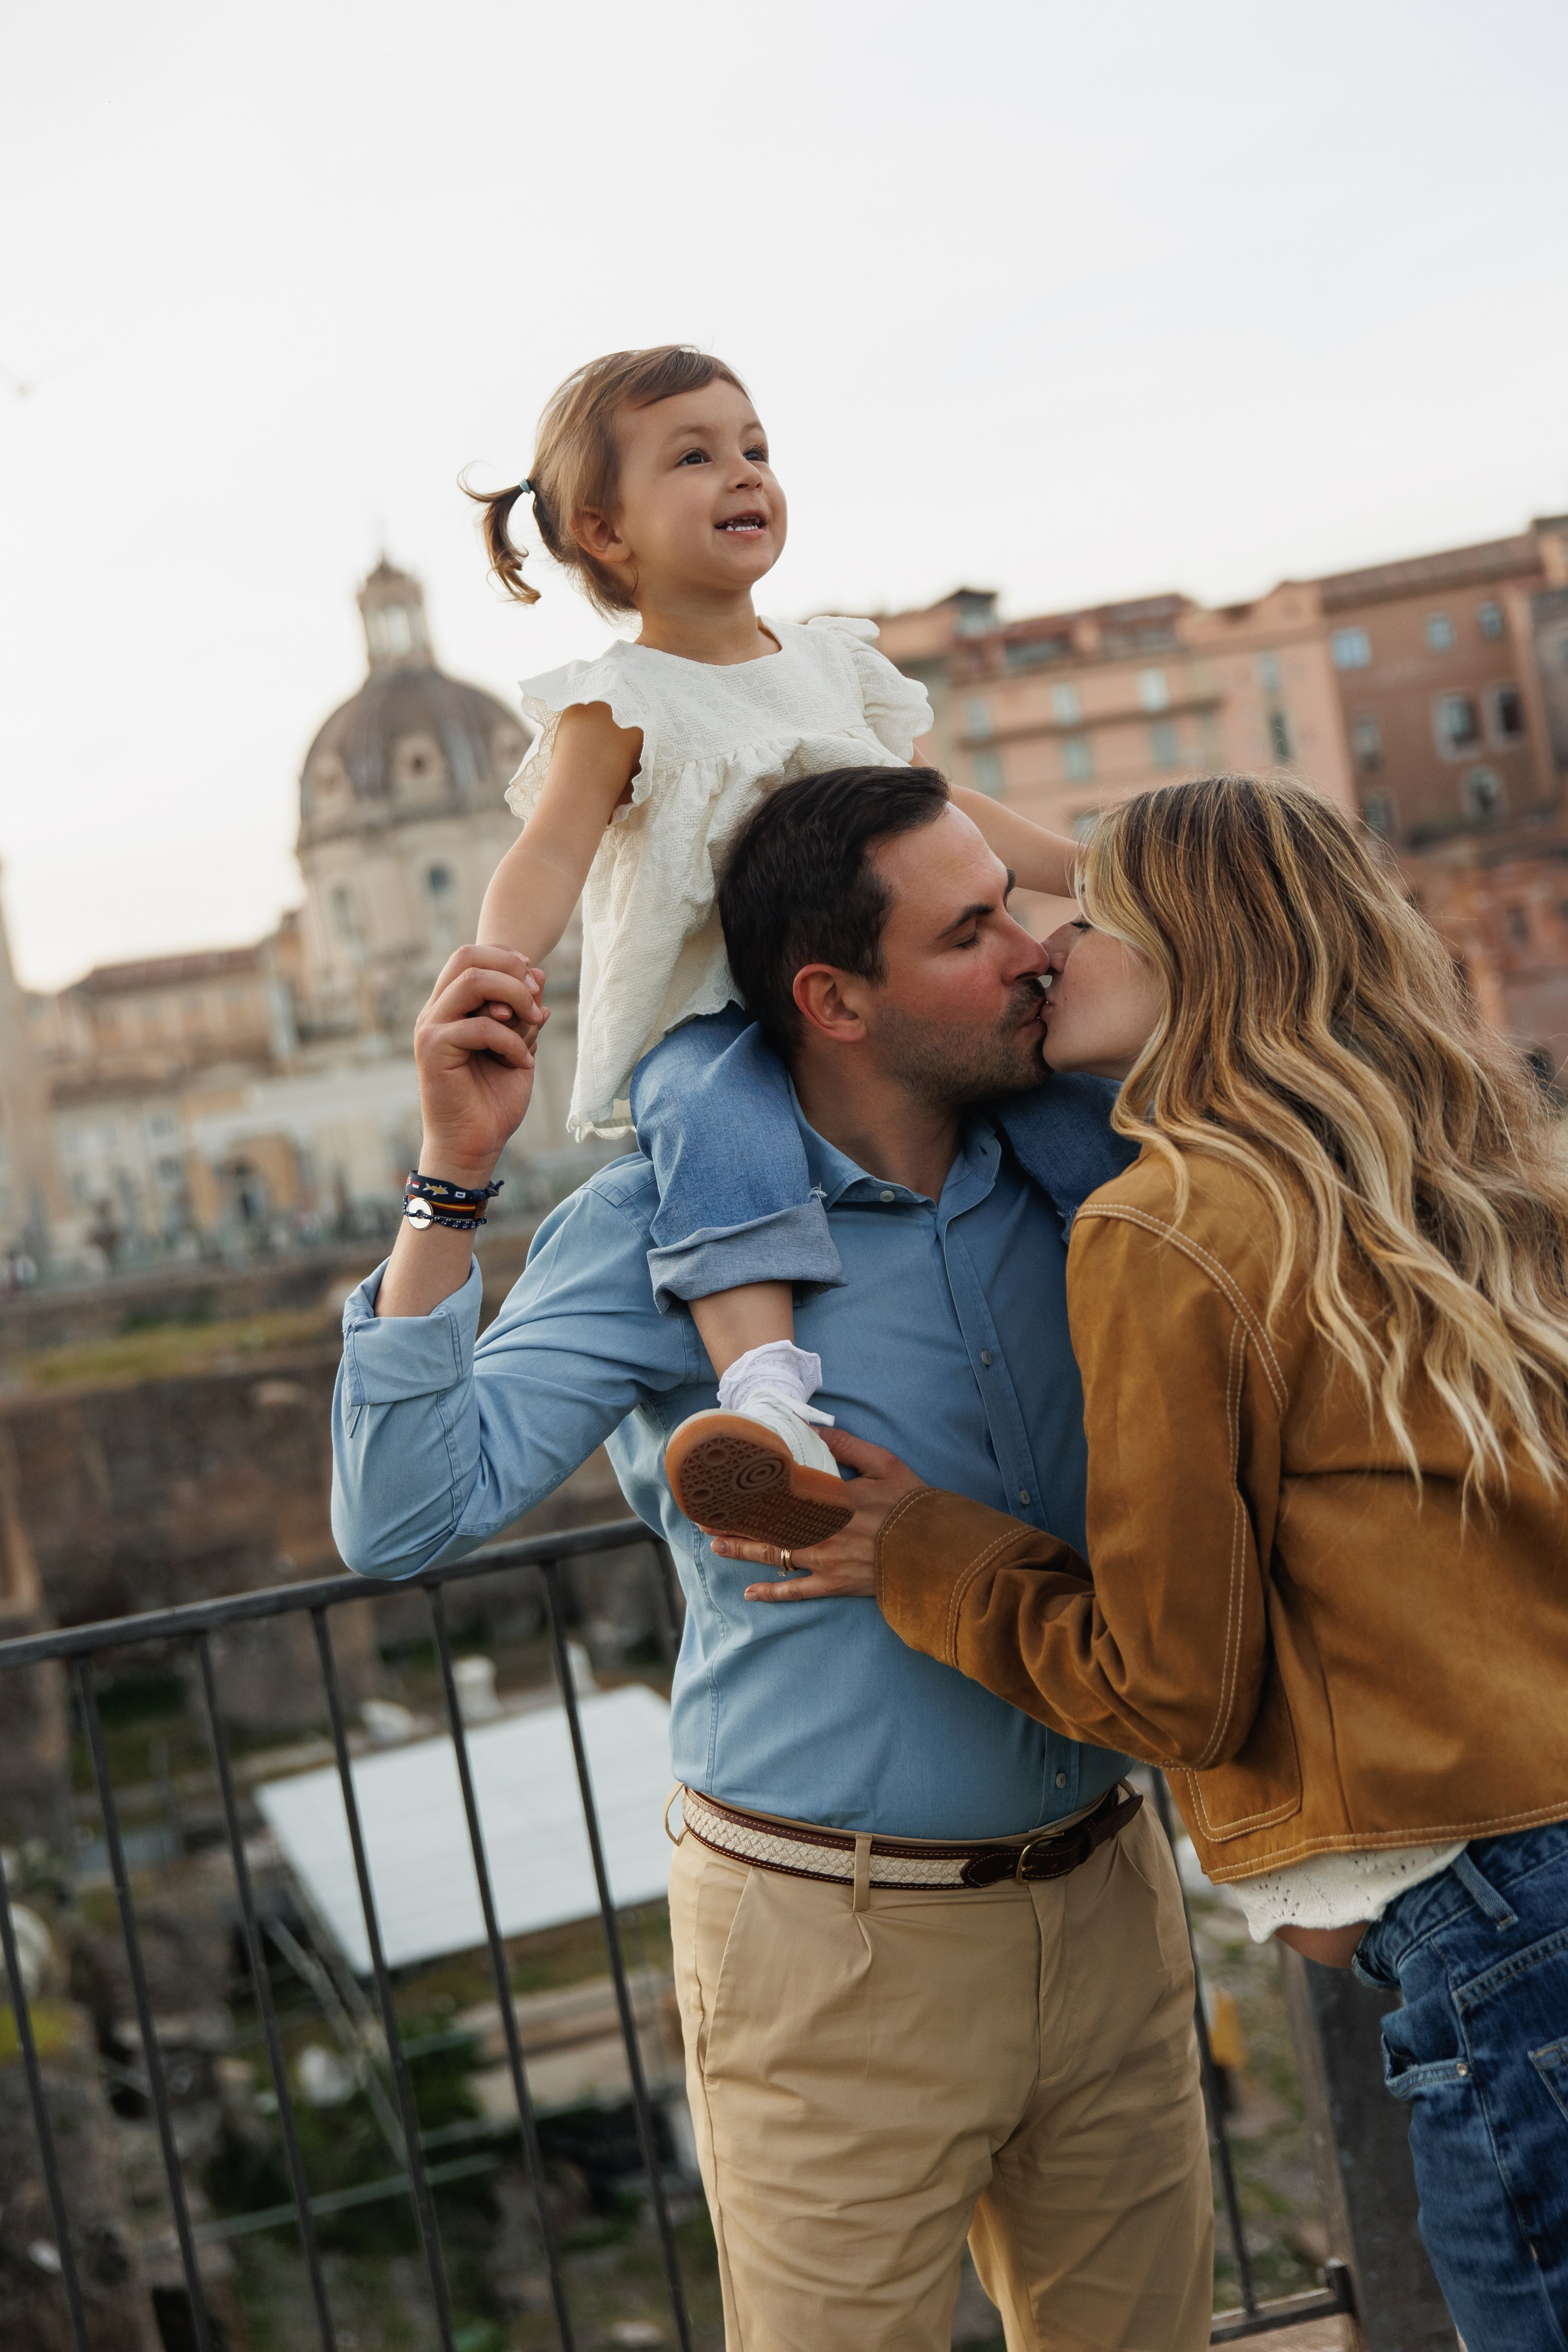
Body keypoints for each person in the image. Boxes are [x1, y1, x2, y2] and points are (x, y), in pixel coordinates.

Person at [332, 765, 1212, 2351]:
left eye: (1012, 908)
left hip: (1111, 1896)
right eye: (971, 932)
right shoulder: (659, 1219)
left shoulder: (1100, 1169)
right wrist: (452, 1179)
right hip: (831, 1955)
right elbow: (403, 1517)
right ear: (836, 998)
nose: (1030, 950)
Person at [711, 775, 1568, 2352]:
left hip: (1498, 1939)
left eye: (1087, 914)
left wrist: (922, 1552)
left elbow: (1169, 1681)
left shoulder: (1168, 1226)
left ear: (1194, 953)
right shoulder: (1454, 1174)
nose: (1047, 945)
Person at [464, 344, 1083, 1541]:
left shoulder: (831, 662)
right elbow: (551, 850)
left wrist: (1088, 866)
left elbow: (944, 808)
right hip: (719, 1018)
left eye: (754, 447)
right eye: (694, 457)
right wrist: (501, 962)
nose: (743, 473)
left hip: (879, 1004)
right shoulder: (618, 698)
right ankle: (767, 1402)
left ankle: (1193, 1297)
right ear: (605, 529)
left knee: (1066, 1109)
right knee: (719, 1142)